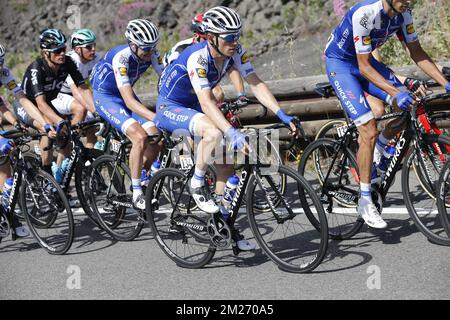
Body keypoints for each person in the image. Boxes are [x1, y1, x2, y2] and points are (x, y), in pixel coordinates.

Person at [154, 6, 300, 250]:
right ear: (212, 37)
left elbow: (256, 82)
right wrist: (231, 132)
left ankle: (222, 227)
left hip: (195, 105)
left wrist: (281, 113)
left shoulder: (235, 52)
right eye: (230, 37)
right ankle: (197, 182)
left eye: (238, 35)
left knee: (226, 168)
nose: (235, 41)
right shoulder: (197, 57)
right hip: (171, 105)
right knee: (213, 132)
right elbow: (206, 103)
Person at [324, 0, 450, 229]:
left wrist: (445, 83)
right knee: (368, 128)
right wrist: (394, 92)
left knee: (411, 104)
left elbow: (417, 53)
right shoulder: (365, 14)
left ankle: (380, 148)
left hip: (368, 63)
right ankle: (364, 200)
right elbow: (363, 67)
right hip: (341, 65)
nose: (408, 2)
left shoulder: (404, 13)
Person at [91, 19, 163, 209]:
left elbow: (164, 80)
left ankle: (140, 177)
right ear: (132, 45)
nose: (150, 53)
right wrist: (155, 116)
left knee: (157, 137)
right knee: (139, 137)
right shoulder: (121, 57)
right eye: (145, 49)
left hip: (125, 95)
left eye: (152, 48)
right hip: (106, 97)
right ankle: (137, 192)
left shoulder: (151, 52)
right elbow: (129, 101)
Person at [17, 29, 94, 177]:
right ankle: (47, 176)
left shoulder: (68, 63)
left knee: (65, 135)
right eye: (57, 51)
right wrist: (58, 120)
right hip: (27, 105)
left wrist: (96, 110)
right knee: (48, 129)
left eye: (63, 49)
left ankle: (60, 171)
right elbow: (40, 103)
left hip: (47, 103)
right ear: (46, 53)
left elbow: (83, 88)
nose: (62, 54)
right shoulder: (36, 69)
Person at [0, 42, 57, 238]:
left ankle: (10, 219)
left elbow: (22, 99)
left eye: (1, 63)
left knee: (5, 169)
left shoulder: (5, 73)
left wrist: (35, 123)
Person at [163, 13, 248, 105]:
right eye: (205, 38)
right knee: (213, 94)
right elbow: (173, 76)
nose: (209, 42)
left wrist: (241, 95)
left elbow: (231, 69)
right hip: (175, 84)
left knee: (218, 94)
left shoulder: (218, 49)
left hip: (199, 78)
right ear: (196, 36)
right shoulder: (181, 49)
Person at [51, 28, 102, 150]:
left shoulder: (96, 58)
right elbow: (77, 91)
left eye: (94, 45)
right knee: (82, 110)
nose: (93, 49)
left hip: (77, 92)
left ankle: (89, 163)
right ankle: (68, 140)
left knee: (92, 129)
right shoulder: (71, 61)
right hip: (59, 94)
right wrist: (96, 111)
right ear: (78, 49)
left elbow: (100, 86)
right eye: (89, 47)